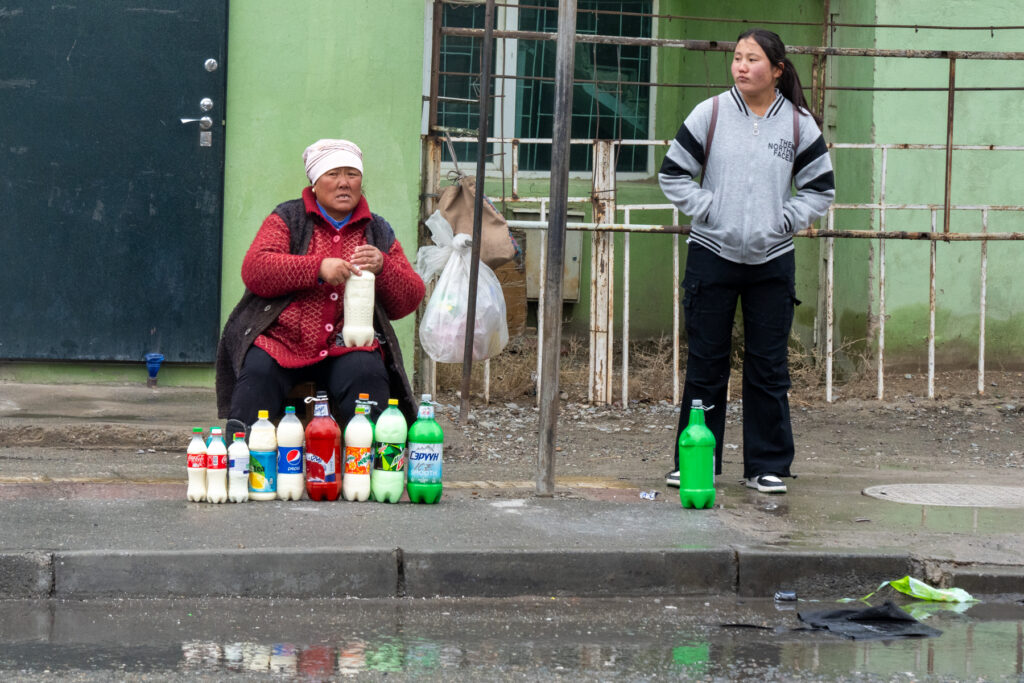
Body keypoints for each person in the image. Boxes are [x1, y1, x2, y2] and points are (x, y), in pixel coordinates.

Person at [658, 29, 835, 494]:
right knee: (706, 363)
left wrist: (786, 220)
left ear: (776, 69)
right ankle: (695, 459)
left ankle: (768, 465)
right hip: (712, 256)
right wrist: (710, 209)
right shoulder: (710, 113)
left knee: (769, 366)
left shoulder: (798, 124)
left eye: (752, 59)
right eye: (736, 57)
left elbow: (820, 188)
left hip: (772, 262)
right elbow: (673, 174)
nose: (740, 66)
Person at [215, 139, 425, 434]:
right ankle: (240, 460)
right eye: (332, 174)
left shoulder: (377, 230)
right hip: (282, 342)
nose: (344, 183)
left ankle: (373, 464)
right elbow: (255, 269)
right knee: (259, 374)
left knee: (367, 372)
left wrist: (383, 268)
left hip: (347, 346)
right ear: (314, 183)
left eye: (352, 175)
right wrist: (317, 267)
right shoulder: (288, 219)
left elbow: (409, 300)